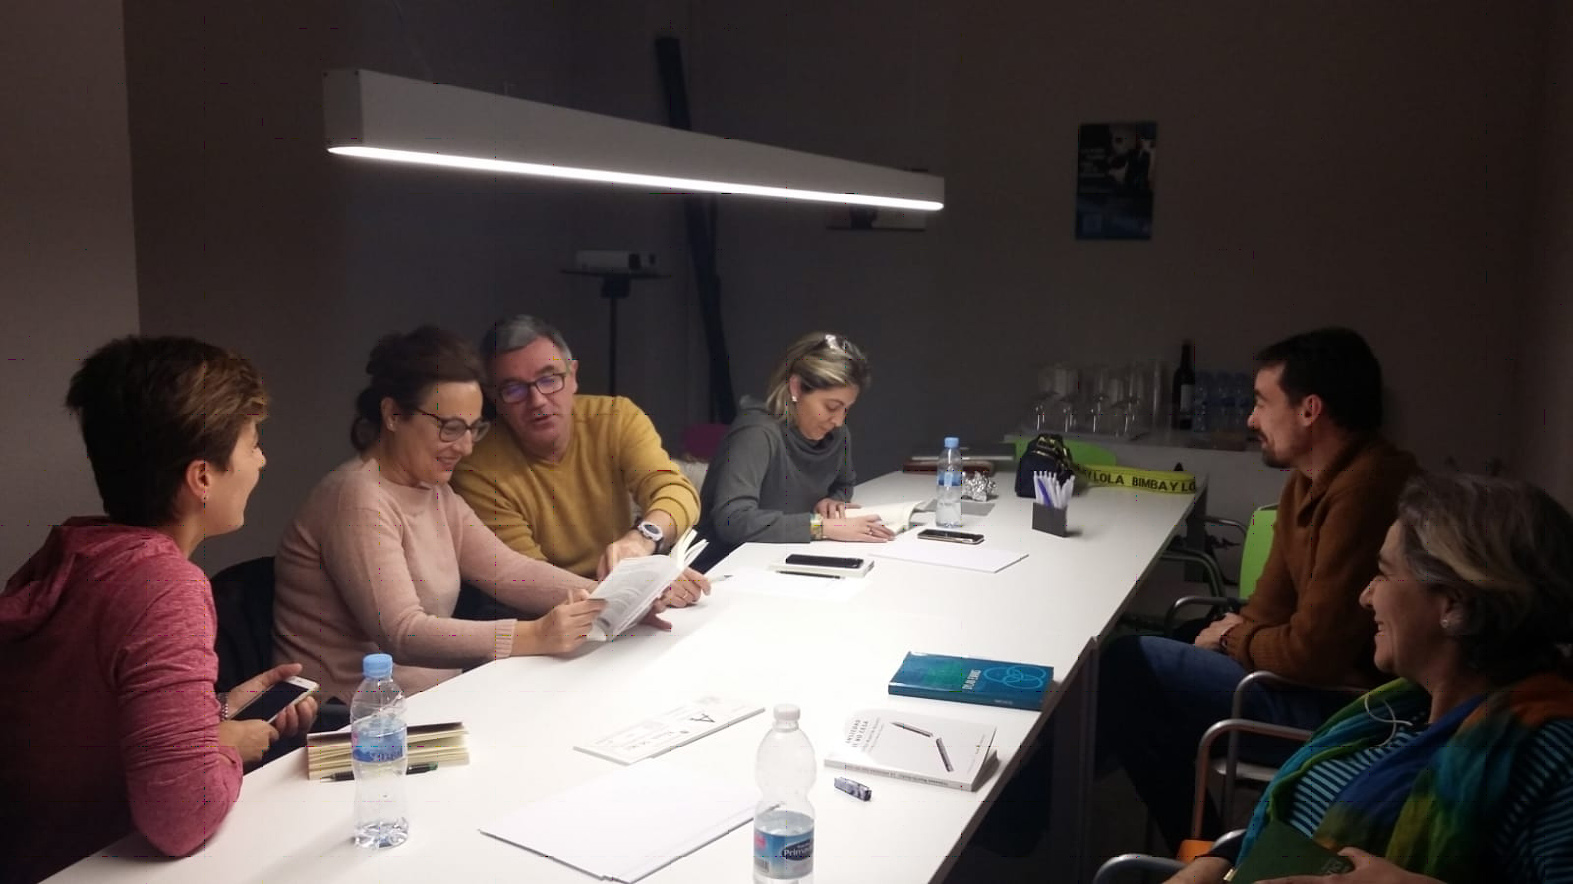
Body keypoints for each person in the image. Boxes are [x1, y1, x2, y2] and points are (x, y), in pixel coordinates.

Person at [0, 336, 318, 884]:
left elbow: (89, 724)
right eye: (252, 444)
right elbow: (181, 817)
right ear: (202, 478)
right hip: (97, 865)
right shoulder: (165, 587)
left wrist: (215, 711)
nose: (262, 460)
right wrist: (228, 747)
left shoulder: (76, 552)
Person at [1099, 327, 1421, 850]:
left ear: (1309, 410)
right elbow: (1268, 609)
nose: (1251, 420)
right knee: (1158, 654)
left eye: (1262, 403)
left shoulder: (1366, 492)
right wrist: (1239, 634)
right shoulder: (1308, 479)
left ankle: (1203, 850)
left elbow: (1312, 654)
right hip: (1303, 680)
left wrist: (1232, 638)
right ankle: (1051, 797)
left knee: (1125, 667)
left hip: (1346, 712)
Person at [1164, 474, 1573, 884]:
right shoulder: (1398, 710)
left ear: (1454, 604)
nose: (1366, 596)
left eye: (1383, 574)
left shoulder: (1551, 761)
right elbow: (1300, 820)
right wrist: (1219, 860)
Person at [272, 327, 662, 706]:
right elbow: (402, 633)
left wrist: (619, 596)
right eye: (450, 428)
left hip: (432, 702)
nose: (465, 447)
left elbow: (507, 570)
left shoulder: (432, 490)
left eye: (474, 430)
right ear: (393, 414)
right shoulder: (358, 497)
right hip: (356, 720)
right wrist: (534, 635)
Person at [451, 315, 707, 607]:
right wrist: (642, 589)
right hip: (546, 615)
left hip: (624, 596)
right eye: (514, 389)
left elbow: (676, 490)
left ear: (572, 376)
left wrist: (642, 540)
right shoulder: (477, 467)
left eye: (549, 379)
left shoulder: (615, 418)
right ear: (494, 398)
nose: (537, 401)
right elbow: (529, 579)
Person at [696, 331, 895, 567]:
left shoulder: (837, 435)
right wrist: (821, 526)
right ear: (796, 387)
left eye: (846, 409)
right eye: (832, 406)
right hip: (726, 565)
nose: (838, 420)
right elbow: (733, 520)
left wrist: (833, 501)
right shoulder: (757, 433)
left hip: (784, 554)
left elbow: (844, 483)